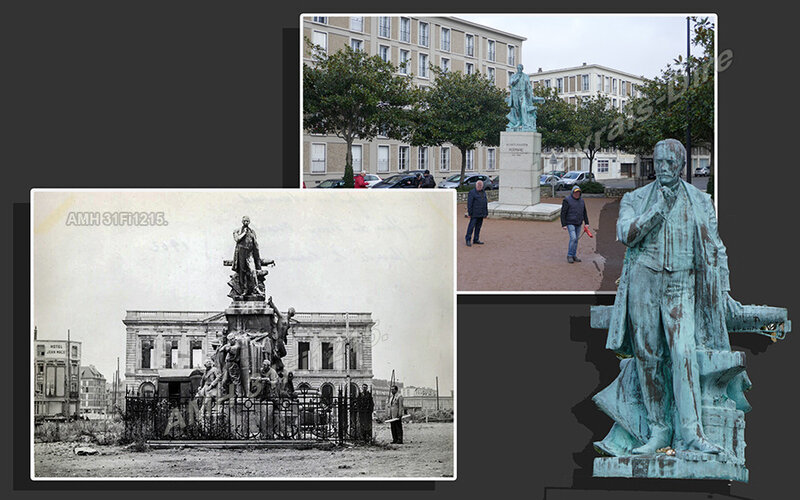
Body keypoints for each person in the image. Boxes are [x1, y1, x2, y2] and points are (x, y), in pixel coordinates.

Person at [594, 138, 745, 457]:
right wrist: (658, 210)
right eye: (659, 162)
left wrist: (726, 290)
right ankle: (659, 429)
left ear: (681, 166)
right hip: (644, 282)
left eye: (671, 164)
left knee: (683, 352)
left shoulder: (701, 200)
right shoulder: (636, 198)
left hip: (682, 283)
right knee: (649, 356)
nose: (663, 168)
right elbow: (626, 234)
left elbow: (716, 248)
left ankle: (691, 433)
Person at [230, 216, 262, 297]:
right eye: (244, 221)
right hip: (241, 253)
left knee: (252, 270)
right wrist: (244, 233)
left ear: (249, 222)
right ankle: (244, 289)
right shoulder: (237, 231)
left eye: (247, 221)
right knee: (242, 271)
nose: (246, 222)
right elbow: (237, 239)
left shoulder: (252, 231)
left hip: (249, 253)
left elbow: (255, 243)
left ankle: (256, 288)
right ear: (242, 221)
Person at [561, 185, 590, 263]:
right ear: (572, 192)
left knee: (576, 240)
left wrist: (587, 222)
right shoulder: (567, 200)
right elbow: (563, 213)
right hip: (570, 222)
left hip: (578, 222)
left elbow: (584, 212)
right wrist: (563, 224)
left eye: (578, 192)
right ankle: (569, 255)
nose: (577, 194)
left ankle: (574, 255)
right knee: (573, 238)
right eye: (575, 192)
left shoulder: (582, 201)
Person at [465, 180, 488, 247]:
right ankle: (468, 239)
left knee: (478, 227)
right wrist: (469, 213)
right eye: (478, 185)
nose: (479, 187)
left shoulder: (483, 192)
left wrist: (485, 213)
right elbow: (470, 203)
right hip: (474, 214)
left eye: (481, 185)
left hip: (481, 214)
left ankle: (476, 239)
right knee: (471, 227)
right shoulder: (472, 192)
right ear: (476, 185)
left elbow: (485, 203)